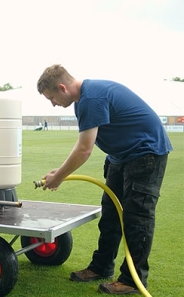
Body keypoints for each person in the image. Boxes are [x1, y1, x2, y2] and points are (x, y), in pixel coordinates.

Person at [37, 64, 172, 295]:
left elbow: (84, 150)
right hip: (121, 158)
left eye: (52, 98)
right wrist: (58, 172)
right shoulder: (83, 100)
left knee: (136, 218)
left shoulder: (92, 97)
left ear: (62, 87)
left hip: (146, 155)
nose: (52, 103)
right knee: (110, 216)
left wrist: (58, 177)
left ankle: (132, 280)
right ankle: (101, 267)